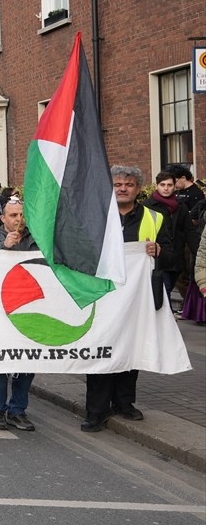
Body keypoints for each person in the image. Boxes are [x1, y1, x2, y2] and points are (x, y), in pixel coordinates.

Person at [82, 166, 171, 432]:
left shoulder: (155, 218)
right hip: (103, 296)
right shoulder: (94, 217)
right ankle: (96, 410)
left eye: (128, 184)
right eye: (118, 184)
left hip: (138, 297)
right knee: (101, 352)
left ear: (138, 189)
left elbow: (174, 257)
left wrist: (159, 251)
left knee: (132, 348)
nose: (122, 188)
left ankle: (124, 402)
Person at [0, 198, 38, 431]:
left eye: (22, 215)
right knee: (1, 362)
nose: (18, 220)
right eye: (13, 215)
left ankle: (18, 410)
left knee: (28, 361)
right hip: (0, 309)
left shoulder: (36, 240)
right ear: (3, 218)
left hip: (29, 308)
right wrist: (5, 248)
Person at [145, 171, 189, 304]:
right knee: (165, 290)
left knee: (167, 290)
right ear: (156, 186)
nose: (166, 188)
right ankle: (166, 320)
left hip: (177, 257)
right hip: (157, 257)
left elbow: (189, 232)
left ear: (175, 186)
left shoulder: (180, 207)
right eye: (162, 184)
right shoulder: (147, 206)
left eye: (169, 185)